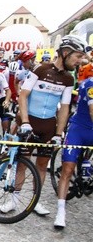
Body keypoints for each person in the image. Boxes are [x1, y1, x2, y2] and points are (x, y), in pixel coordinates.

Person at [8, 35, 90, 218]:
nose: (79, 61)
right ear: (66, 52)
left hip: (48, 125)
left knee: (42, 166)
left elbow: (65, 107)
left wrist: (59, 133)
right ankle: (14, 200)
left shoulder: (69, 79)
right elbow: (23, 95)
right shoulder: (40, 69)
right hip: (31, 121)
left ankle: (34, 201)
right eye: (77, 56)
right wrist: (26, 122)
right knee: (22, 163)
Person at [55, 77, 93, 228]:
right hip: (79, 130)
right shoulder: (90, 84)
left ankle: (86, 162)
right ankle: (60, 212)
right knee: (68, 169)